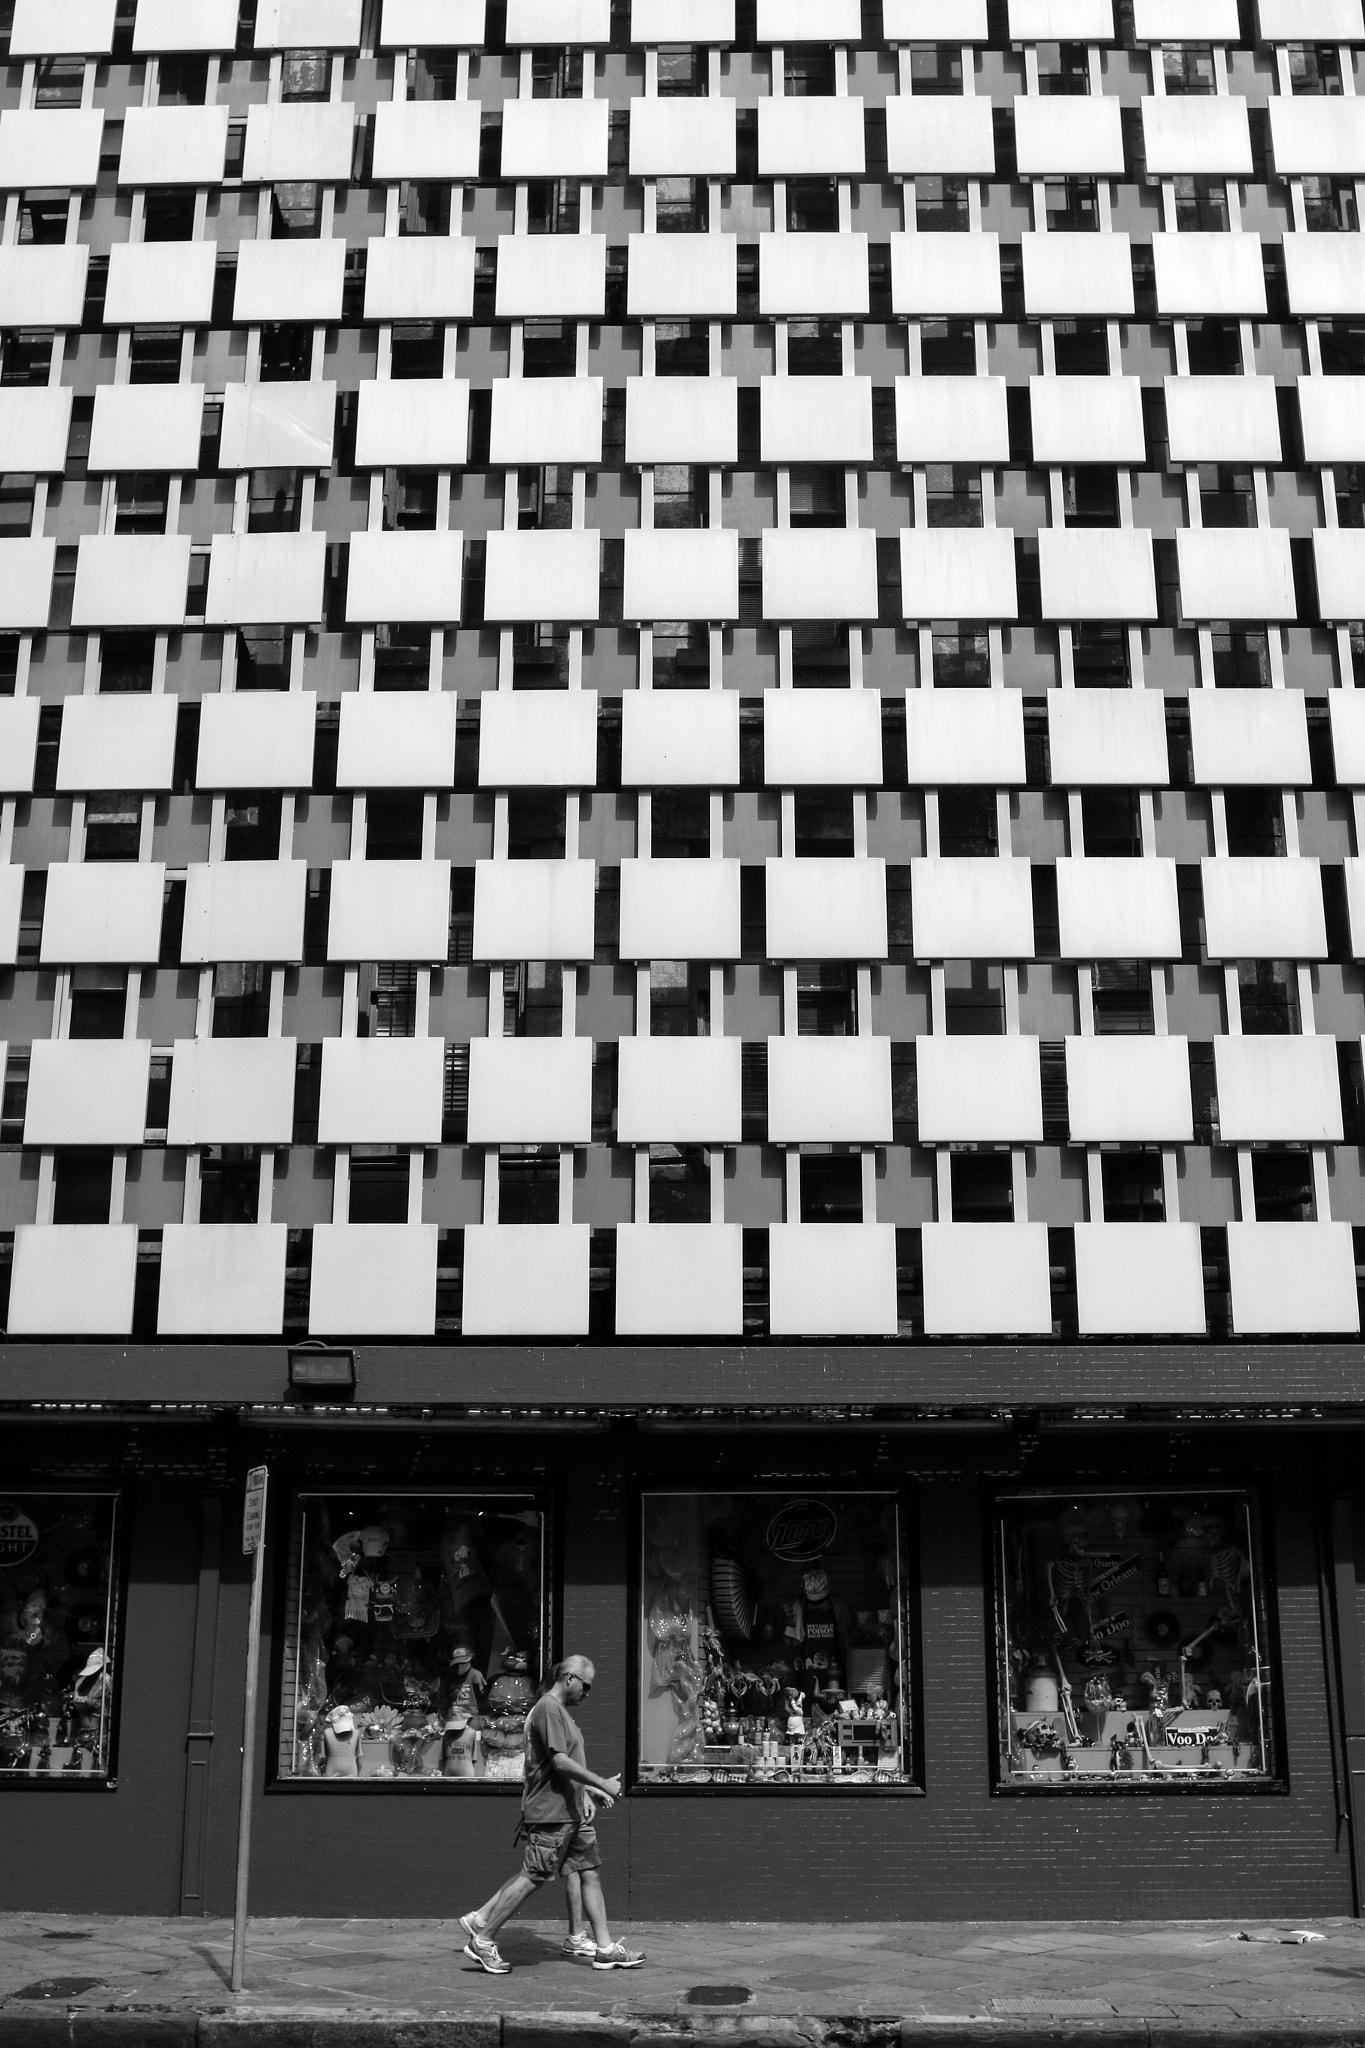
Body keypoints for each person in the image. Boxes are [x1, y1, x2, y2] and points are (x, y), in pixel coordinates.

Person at [458, 1654, 644, 1976]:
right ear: (569, 1678)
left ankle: (604, 1948)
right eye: (586, 1687)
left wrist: (588, 1791)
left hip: (572, 1812)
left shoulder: (561, 1714)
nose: (587, 1694)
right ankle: (483, 1939)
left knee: (590, 1872)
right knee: (533, 1876)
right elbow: (558, 1762)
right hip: (551, 1812)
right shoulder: (548, 1709)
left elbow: (567, 1764)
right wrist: (600, 1782)